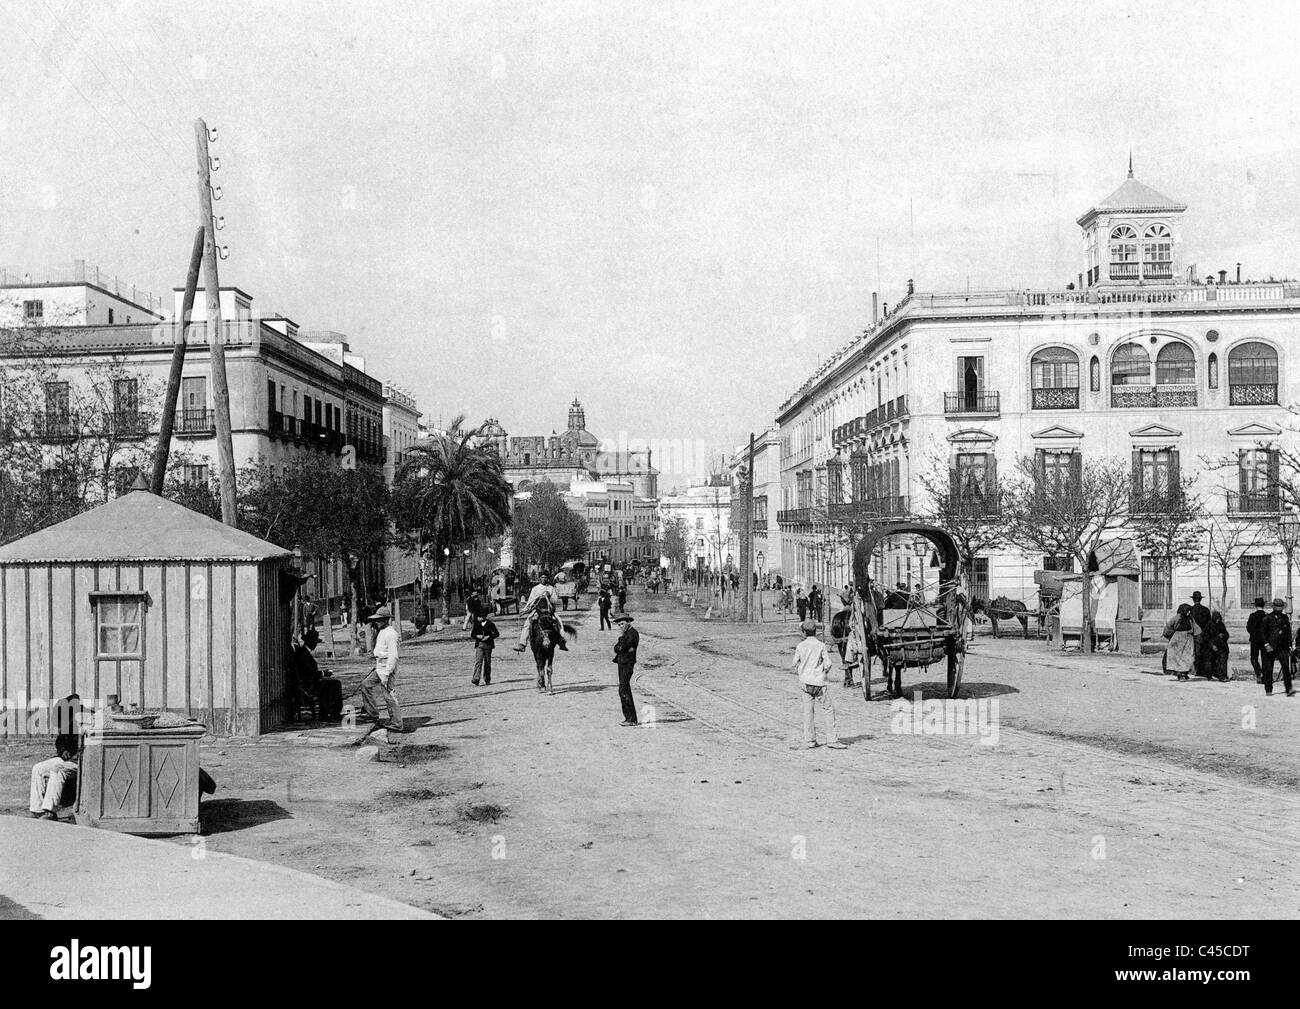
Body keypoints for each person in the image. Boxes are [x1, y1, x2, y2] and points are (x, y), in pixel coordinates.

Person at [792, 620, 845, 749]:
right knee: (828, 709)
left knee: (808, 712)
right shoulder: (820, 645)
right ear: (815, 631)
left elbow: (794, 664)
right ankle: (832, 740)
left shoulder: (800, 646)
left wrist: (801, 670)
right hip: (819, 683)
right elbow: (828, 663)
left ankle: (810, 740)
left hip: (805, 683)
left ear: (804, 632)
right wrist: (824, 672)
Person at [29, 694, 82, 820]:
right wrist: (63, 751)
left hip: (80, 762)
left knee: (57, 771)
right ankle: (37, 809)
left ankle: (49, 811)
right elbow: (60, 742)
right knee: (38, 768)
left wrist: (76, 754)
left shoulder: (85, 719)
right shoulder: (66, 722)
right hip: (67, 760)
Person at [360, 606, 403, 733]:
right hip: (379, 666)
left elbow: (393, 655)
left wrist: (388, 672)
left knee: (389, 695)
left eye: (380, 620)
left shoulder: (391, 633)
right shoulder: (382, 632)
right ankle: (372, 713)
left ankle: (397, 723)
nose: (377, 622)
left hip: (387, 668)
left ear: (386, 620)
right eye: (377, 620)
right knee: (366, 684)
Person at [514, 573, 561, 651]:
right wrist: (526, 609)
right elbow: (531, 600)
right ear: (539, 578)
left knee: (559, 622)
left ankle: (561, 640)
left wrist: (548, 596)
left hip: (548, 611)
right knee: (527, 624)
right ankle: (522, 644)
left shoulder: (551, 588)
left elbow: (555, 600)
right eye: (542, 577)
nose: (544, 579)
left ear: (547, 578)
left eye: (545, 577)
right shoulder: (535, 588)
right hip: (537, 611)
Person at [1261, 598, 1295, 696]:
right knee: (1268, 669)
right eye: (1277, 607)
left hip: (1282, 647)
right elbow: (1262, 633)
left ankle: (1288, 689)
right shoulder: (1267, 618)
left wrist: (1289, 646)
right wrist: (1266, 645)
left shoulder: (1285, 618)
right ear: (1274, 607)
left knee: (1286, 667)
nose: (1279, 609)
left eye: (1280, 608)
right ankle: (1268, 689)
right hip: (1270, 647)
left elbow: (1288, 632)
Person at [613, 612, 639, 725]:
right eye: (619, 625)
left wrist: (620, 646)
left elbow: (621, 647)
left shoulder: (632, 634)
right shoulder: (626, 634)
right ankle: (629, 718)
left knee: (623, 689)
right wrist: (620, 646)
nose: (620, 626)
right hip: (622, 663)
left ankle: (631, 718)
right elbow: (617, 647)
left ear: (628, 623)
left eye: (622, 624)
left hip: (627, 664)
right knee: (623, 689)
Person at [1163, 603, 1196, 680]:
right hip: (1178, 640)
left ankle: (1185, 673)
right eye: (1187, 610)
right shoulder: (1176, 618)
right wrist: (1172, 637)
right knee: (1179, 657)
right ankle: (1180, 674)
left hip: (1188, 640)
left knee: (1188, 656)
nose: (1189, 612)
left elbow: (1194, 627)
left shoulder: (1190, 618)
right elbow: (1167, 629)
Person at [471, 610, 499, 686]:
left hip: (488, 645)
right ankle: (476, 678)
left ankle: (487, 678)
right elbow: (472, 634)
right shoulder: (476, 624)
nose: (478, 618)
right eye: (478, 617)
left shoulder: (490, 624)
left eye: (480, 617)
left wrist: (489, 637)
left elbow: (497, 634)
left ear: (484, 617)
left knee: (487, 662)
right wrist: (477, 636)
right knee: (478, 661)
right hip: (479, 645)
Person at [1202, 609, 1230, 681]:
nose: (1218, 620)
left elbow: (1227, 634)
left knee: (1222, 660)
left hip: (1221, 646)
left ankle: (1223, 676)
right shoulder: (1209, 625)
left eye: (1219, 619)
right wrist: (1212, 645)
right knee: (1209, 661)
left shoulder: (1221, 625)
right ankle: (1209, 675)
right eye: (1217, 619)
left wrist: (1223, 635)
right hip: (1211, 646)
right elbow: (1206, 637)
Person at [1188, 591, 1212, 677]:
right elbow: (1210, 624)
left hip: (1193, 634)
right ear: (1200, 599)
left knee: (1194, 652)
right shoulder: (1206, 610)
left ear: (1193, 600)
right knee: (1203, 652)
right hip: (1204, 634)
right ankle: (1202, 671)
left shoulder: (1190, 610)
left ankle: (1195, 670)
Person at [1247, 596, 1267, 683]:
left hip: (1254, 640)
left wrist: (1254, 634)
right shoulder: (1267, 616)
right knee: (1265, 658)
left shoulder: (1252, 616)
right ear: (1263, 605)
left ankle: (1259, 674)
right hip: (1264, 640)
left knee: (1254, 658)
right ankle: (1265, 676)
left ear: (1255, 605)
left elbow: (1248, 628)